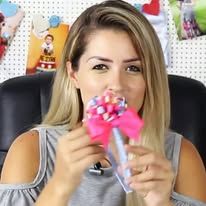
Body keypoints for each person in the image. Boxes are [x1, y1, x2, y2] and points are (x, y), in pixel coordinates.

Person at [0, 1, 206, 206]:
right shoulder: (29, 151)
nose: (116, 85)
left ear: (149, 79)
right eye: (100, 66)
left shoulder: (182, 158)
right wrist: (59, 188)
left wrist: (161, 202)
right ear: (74, 74)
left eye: (134, 68)